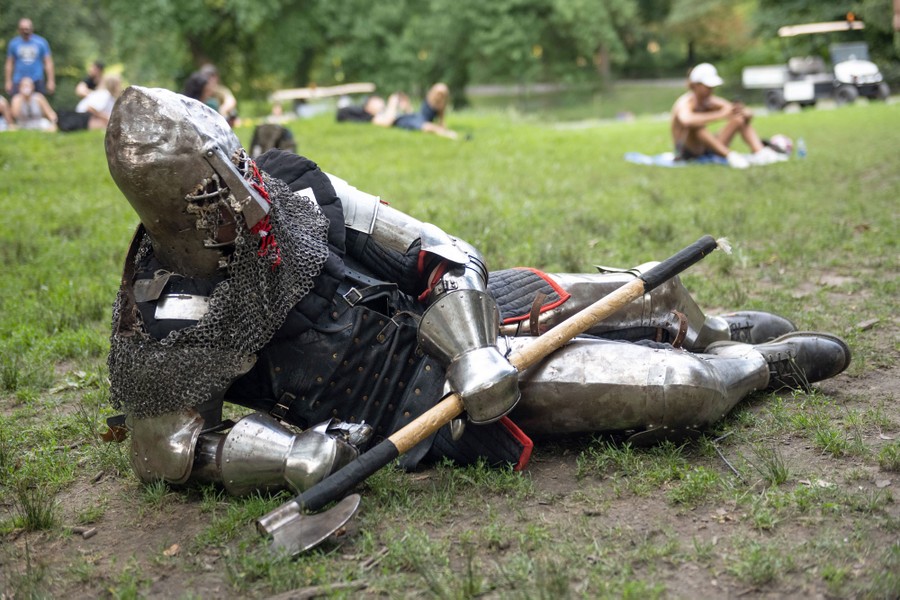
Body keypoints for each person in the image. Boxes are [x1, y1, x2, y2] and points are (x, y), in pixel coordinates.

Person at [103, 86, 850, 497]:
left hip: (456, 320)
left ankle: (714, 328)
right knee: (683, 388)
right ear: (171, 212)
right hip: (414, 406)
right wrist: (290, 454)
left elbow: (439, 250)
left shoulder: (291, 183)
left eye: (239, 168)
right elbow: (166, 452)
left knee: (659, 295)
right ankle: (759, 367)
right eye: (217, 193)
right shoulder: (163, 312)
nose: (248, 197)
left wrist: (469, 344)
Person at [671, 63, 787, 168]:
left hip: (709, 148)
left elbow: (738, 111)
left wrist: (743, 112)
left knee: (738, 119)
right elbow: (687, 120)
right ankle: (731, 156)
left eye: (712, 87)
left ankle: (760, 152)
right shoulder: (685, 103)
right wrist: (720, 114)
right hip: (689, 151)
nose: (711, 91)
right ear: (695, 85)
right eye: (708, 87)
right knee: (697, 126)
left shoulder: (710, 101)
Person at [337, 83, 459, 139]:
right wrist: (392, 103)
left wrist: (406, 107)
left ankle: (441, 115)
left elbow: (410, 114)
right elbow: (387, 122)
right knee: (440, 90)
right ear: (368, 107)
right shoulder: (373, 117)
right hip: (403, 120)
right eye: (375, 100)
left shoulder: (383, 111)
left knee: (441, 89)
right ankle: (446, 132)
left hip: (413, 116)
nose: (379, 100)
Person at [5, 18, 55, 97]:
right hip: (18, 80)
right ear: (19, 30)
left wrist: (51, 80)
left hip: (37, 79)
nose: (25, 31)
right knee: (16, 102)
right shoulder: (13, 44)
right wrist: (8, 81)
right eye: (22, 29)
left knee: (39, 101)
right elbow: (9, 63)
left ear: (32, 29)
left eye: (27, 29)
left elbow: (48, 62)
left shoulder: (41, 42)